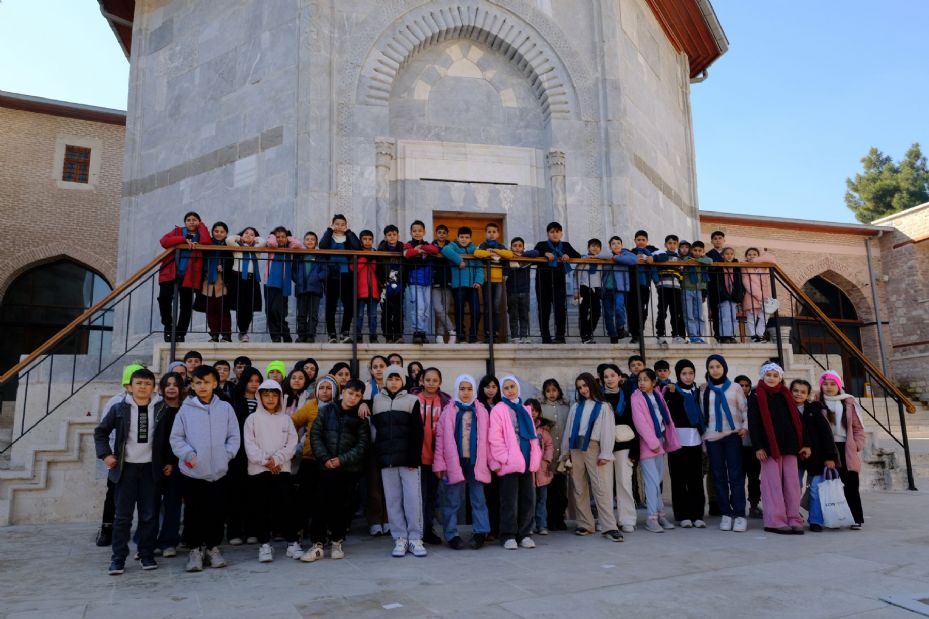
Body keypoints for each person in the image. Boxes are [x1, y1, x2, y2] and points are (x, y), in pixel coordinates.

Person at [94, 368, 173, 575]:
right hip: (125, 469)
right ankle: (118, 558)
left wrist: (169, 461)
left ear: (154, 387)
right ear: (129, 387)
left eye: (148, 384)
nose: (143, 387)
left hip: (151, 470)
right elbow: (100, 433)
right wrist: (106, 455)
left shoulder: (162, 408)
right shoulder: (119, 409)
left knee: (149, 515)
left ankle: (146, 554)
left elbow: (169, 439)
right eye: (139, 383)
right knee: (122, 517)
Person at [170, 365, 241, 571]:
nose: (202, 386)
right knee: (194, 512)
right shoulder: (185, 409)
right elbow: (176, 438)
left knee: (216, 512)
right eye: (198, 383)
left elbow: (234, 436)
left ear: (215, 384)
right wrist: (189, 456)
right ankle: (194, 550)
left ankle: (212, 548)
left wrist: (226, 455)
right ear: (192, 385)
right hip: (193, 472)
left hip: (218, 472)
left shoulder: (225, 408)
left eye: (206, 382)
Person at [302, 378, 370, 562]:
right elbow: (315, 435)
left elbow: (362, 445)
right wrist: (325, 458)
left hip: (348, 469)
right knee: (321, 504)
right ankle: (317, 544)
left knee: (343, 506)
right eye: (350, 393)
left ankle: (337, 542)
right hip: (325, 467)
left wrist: (341, 460)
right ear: (343, 392)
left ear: (361, 397)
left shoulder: (361, 418)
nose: (353, 397)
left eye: (357, 395)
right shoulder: (327, 411)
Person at [748, 362, 810, 535]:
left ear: (780, 378)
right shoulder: (756, 396)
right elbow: (754, 423)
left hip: (789, 446)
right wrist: (758, 446)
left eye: (776, 375)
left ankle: (793, 518)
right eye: (769, 375)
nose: (772, 378)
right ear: (762, 376)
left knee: (792, 484)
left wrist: (804, 442)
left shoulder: (786, 395)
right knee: (772, 485)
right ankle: (774, 521)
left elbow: (798, 421)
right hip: (768, 448)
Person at [372, 365, 426, 557]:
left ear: (403, 380)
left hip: (408, 459)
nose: (393, 382)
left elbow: (418, 432)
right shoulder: (376, 401)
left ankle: (415, 537)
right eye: (390, 379)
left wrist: (414, 457)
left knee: (412, 499)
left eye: (397, 379)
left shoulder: (412, 400)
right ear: (384, 381)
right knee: (393, 500)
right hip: (387, 459)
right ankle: (400, 538)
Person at [244, 379, 301, 562]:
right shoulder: (252, 419)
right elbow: (250, 445)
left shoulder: (286, 419)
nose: (270, 399)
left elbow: (292, 444)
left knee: (287, 507)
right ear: (260, 396)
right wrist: (265, 462)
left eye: (274, 395)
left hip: (281, 470)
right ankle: (265, 545)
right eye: (266, 395)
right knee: (261, 508)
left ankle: (292, 543)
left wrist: (276, 460)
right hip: (259, 471)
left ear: (279, 397)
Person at [433, 374, 491, 550]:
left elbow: (488, 438)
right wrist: (440, 464)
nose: (465, 393)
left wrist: (490, 461)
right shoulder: (449, 411)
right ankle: (451, 534)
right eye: (462, 389)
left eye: (469, 389)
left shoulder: (481, 410)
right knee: (452, 499)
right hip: (454, 462)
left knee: (478, 498)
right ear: (457, 390)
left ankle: (480, 532)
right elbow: (441, 439)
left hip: (476, 462)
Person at [561, 373, 622, 541]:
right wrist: (565, 452)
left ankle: (609, 526)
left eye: (585, 385)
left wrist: (605, 453)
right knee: (579, 488)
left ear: (592, 385)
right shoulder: (575, 407)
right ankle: (585, 524)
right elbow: (568, 430)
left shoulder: (604, 407)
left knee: (600, 488)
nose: (583, 390)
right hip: (575, 448)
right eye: (579, 387)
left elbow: (608, 432)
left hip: (594, 447)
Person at [95, 363, 145, 548]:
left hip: (142, 460)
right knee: (114, 495)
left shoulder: (153, 402)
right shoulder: (116, 402)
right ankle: (107, 529)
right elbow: (104, 430)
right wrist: (108, 455)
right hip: (118, 458)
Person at [489, 376, 542, 549]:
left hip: (526, 460)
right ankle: (508, 535)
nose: (510, 390)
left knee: (528, 499)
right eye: (506, 388)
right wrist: (504, 458)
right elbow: (495, 438)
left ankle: (525, 533)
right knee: (509, 500)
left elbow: (532, 435)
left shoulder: (525, 409)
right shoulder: (499, 409)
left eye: (512, 386)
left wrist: (535, 456)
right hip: (510, 462)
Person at [701, 354, 749, 532]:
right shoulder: (705, 390)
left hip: (732, 436)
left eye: (718, 366)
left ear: (724, 368)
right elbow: (702, 413)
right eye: (711, 367)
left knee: (735, 476)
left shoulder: (735, 388)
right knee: (718, 477)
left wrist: (745, 426)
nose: (715, 370)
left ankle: (739, 514)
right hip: (713, 438)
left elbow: (744, 409)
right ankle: (726, 514)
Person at [630, 368, 681, 533]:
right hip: (648, 444)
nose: (642, 383)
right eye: (639, 380)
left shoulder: (658, 396)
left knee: (657, 479)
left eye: (645, 380)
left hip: (659, 441)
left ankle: (660, 514)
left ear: (653, 382)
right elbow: (640, 423)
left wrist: (662, 440)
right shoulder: (636, 397)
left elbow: (665, 418)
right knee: (651, 481)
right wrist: (653, 443)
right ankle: (651, 517)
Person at [818, 370, 866, 529]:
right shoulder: (817, 403)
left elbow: (857, 427)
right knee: (831, 483)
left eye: (833, 384)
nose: (829, 387)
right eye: (825, 384)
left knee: (851, 483)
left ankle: (855, 518)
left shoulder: (848, 401)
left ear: (839, 385)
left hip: (846, 447)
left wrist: (857, 444)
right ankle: (834, 517)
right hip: (828, 448)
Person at [291, 374, 338, 540]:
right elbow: (293, 423)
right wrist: (293, 445)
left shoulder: (338, 407)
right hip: (310, 458)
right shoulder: (311, 406)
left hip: (330, 461)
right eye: (322, 388)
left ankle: (324, 531)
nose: (325, 392)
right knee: (304, 497)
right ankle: (299, 530)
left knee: (326, 498)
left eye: (328, 388)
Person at [791, 379, 838, 532]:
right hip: (795, 458)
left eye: (803, 392)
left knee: (814, 489)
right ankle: (793, 516)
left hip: (816, 458)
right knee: (794, 487)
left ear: (808, 395)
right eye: (796, 390)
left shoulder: (814, 411)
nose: (799, 394)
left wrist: (830, 457)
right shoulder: (786, 410)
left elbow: (826, 435)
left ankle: (816, 519)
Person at [665, 360, 707, 528]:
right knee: (679, 479)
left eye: (691, 373)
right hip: (677, 442)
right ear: (678, 375)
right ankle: (682, 515)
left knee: (695, 478)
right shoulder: (672, 391)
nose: (688, 377)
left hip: (695, 440)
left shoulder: (698, 392)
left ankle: (697, 514)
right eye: (684, 374)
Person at [158, 212, 210, 342]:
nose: (191, 222)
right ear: (185, 222)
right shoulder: (177, 231)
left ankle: (181, 332)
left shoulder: (201, 233)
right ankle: (168, 326)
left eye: (194, 220)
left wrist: (202, 226)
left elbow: (206, 242)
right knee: (164, 298)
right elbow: (164, 241)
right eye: (188, 220)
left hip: (189, 274)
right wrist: (183, 239)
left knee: (186, 304)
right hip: (170, 271)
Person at [598, 363, 637, 533]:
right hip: (604, 446)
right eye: (606, 376)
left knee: (624, 481)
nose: (609, 379)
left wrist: (636, 449)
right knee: (604, 485)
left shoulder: (629, 395)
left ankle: (627, 518)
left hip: (624, 444)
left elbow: (635, 422)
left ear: (620, 377)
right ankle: (607, 520)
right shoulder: (598, 398)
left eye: (613, 375)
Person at [227, 367, 262, 546]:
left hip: (258, 454)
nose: (254, 384)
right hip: (239, 455)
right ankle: (235, 531)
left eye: (257, 381)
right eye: (251, 381)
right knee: (236, 493)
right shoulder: (234, 402)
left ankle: (252, 531)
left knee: (254, 494)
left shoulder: (264, 401)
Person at [416, 367, 449, 545]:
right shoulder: (414, 400)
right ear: (421, 381)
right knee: (417, 496)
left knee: (431, 496)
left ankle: (428, 529)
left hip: (435, 457)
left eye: (434, 380)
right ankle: (416, 530)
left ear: (440, 383)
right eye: (427, 380)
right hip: (416, 457)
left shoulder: (444, 402)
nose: (431, 383)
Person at [533, 222, 581, 344]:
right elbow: (534, 254)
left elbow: (578, 255)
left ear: (561, 233)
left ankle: (560, 336)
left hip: (559, 282)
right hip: (542, 282)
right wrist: (544, 253)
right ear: (548, 234)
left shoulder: (565, 245)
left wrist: (567, 255)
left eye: (557, 232)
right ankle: (546, 337)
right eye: (552, 232)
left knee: (560, 308)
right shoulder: (542, 245)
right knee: (544, 309)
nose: (555, 234)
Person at [153, 372, 185, 556]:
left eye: (175, 384)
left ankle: (169, 542)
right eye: (168, 384)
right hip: (155, 464)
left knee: (173, 505)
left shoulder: (186, 410)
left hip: (178, 465)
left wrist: (172, 462)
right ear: (162, 388)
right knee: (151, 505)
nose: (171, 388)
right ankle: (148, 541)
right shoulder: (155, 409)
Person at [319, 214, 362, 343]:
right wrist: (329, 231)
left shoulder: (348, 237)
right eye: (337, 224)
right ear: (332, 224)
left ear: (346, 225)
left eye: (343, 224)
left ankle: (345, 332)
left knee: (348, 305)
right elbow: (322, 245)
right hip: (331, 275)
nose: (340, 226)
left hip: (346, 274)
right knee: (330, 306)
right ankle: (331, 334)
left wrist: (348, 232)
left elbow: (357, 246)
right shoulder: (329, 237)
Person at [441, 226, 484, 343]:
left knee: (476, 311)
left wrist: (479, 281)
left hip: (473, 286)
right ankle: (460, 337)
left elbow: (480, 266)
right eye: (461, 237)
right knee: (459, 311)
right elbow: (445, 250)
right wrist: (459, 261)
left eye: (466, 237)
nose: (464, 239)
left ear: (470, 238)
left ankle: (473, 336)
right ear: (457, 237)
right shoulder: (453, 246)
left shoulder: (474, 249)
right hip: (458, 285)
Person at [363, 356, 390, 537]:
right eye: (375, 367)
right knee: (373, 484)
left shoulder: (394, 385)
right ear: (371, 370)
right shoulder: (366, 388)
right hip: (372, 441)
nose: (379, 370)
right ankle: (375, 520)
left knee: (390, 484)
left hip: (390, 442)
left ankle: (389, 520)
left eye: (382, 366)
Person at [539, 378, 570, 531]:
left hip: (562, 456)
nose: (551, 394)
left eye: (554, 390)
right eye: (548, 391)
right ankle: (550, 519)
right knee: (548, 491)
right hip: (547, 457)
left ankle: (560, 518)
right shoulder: (542, 408)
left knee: (561, 490)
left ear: (559, 391)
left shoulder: (566, 407)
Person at [474, 222, 513, 343]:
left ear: (498, 234)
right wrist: (490, 253)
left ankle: (495, 333)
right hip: (486, 280)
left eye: (494, 232)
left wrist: (497, 251)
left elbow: (509, 254)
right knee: (487, 307)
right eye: (489, 232)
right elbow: (477, 253)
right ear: (485, 233)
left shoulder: (501, 246)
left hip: (498, 281)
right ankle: (487, 333)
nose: (491, 234)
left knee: (496, 307)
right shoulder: (483, 245)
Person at [225, 227, 265, 342]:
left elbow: (263, 241)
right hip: (238, 278)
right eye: (246, 233)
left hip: (252, 280)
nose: (248, 235)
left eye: (252, 234)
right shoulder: (237, 248)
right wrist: (240, 238)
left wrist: (254, 239)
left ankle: (245, 330)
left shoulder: (256, 249)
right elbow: (229, 240)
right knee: (240, 307)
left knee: (249, 307)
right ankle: (242, 331)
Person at [403, 220, 440, 344]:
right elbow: (407, 253)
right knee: (418, 307)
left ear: (424, 232)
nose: (417, 233)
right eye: (414, 231)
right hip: (415, 280)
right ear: (410, 232)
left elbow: (435, 250)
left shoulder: (427, 244)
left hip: (427, 281)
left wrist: (422, 247)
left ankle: (423, 332)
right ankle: (417, 332)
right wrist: (418, 251)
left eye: (419, 231)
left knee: (426, 309)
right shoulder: (408, 244)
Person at [263, 226, 301, 342]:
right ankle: (275, 337)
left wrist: (288, 238)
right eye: (278, 237)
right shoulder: (272, 246)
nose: (280, 239)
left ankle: (285, 334)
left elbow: (298, 244)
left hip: (283, 284)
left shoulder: (289, 248)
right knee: (269, 311)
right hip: (269, 283)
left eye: (283, 237)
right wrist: (274, 236)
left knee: (278, 311)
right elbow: (271, 243)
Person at [599, 236, 638, 343]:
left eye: (618, 243)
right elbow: (599, 255)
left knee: (619, 308)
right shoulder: (607, 254)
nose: (616, 245)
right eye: (613, 244)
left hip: (620, 289)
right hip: (606, 289)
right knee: (608, 313)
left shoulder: (625, 254)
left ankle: (620, 328)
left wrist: (616, 258)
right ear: (610, 246)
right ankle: (613, 335)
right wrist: (611, 255)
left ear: (622, 245)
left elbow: (633, 259)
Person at [478, 375, 502, 539]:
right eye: (488, 386)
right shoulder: (478, 406)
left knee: (498, 494)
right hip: (482, 454)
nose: (491, 390)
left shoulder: (502, 405)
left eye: (494, 386)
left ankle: (496, 529)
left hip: (499, 454)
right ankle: (483, 529)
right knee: (483, 495)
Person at [734, 373, 761, 518]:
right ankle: (737, 506)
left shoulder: (754, 400)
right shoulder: (731, 400)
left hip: (752, 446)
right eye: (741, 385)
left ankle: (754, 505)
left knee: (754, 478)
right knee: (737, 477)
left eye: (746, 385)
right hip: (736, 446)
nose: (744, 388)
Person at [201, 222, 233, 342]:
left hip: (222, 280)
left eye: (222, 231)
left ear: (226, 234)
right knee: (211, 309)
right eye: (216, 231)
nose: (219, 234)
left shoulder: (228, 245)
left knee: (223, 308)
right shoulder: (207, 244)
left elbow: (231, 262)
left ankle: (226, 334)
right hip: (208, 280)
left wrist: (223, 266)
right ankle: (214, 334)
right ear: (212, 232)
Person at [293, 230, 327, 343]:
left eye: (312, 239)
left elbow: (326, 271)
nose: (310, 241)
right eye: (307, 239)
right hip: (301, 288)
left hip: (315, 288)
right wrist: (298, 279)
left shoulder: (320, 256)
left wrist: (317, 277)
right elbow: (293, 271)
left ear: (316, 242)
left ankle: (310, 335)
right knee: (301, 314)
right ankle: (301, 335)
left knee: (313, 314)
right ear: (304, 242)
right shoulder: (299, 256)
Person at [652, 234, 686, 345]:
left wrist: (680, 285)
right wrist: (657, 283)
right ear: (665, 244)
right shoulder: (662, 255)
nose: (672, 245)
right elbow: (655, 268)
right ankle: (660, 335)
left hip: (676, 288)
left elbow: (681, 274)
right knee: (662, 311)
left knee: (675, 312)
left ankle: (676, 335)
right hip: (663, 287)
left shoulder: (680, 258)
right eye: (669, 243)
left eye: (674, 243)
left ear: (677, 245)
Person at [503, 237, 539, 343]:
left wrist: (522, 255)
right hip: (511, 291)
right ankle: (515, 337)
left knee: (524, 314)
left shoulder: (526, 259)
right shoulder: (507, 259)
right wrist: (511, 256)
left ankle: (524, 336)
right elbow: (505, 272)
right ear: (511, 247)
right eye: (515, 246)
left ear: (523, 248)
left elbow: (536, 252)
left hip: (525, 291)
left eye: (520, 246)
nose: (517, 248)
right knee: (513, 314)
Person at [527, 398, 554, 536]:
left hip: (542, 472)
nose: (532, 413)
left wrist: (547, 459)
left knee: (542, 501)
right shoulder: (523, 426)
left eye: (535, 410)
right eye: (530, 410)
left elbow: (549, 445)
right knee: (530, 501)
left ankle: (542, 525)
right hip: (529, 472)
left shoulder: (543, 430)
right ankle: (529, 526)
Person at [627, 230, 657, 345]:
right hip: (632, 285)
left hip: (644, 285)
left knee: (643, 310)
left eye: (643, 240)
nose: (641, 242)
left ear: (647, 241)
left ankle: (640, 331)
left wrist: (652, 258)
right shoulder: (631, 252)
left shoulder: (652, 250)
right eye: (638, 240)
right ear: (634, 241)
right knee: (632, 310)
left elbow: (663, 256)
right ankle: (634, 334)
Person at [741, 247, 777, 342]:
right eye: (749, 255)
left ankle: (760, 335)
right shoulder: (744, 266)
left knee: (765, 317)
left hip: (765, 296)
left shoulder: (763, 265)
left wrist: (756, 260)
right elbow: (747, 283)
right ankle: (753, 336)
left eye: (754, 254)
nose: (751, 256)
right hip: (751, 296)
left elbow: (773, 259)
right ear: (746, 256)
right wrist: (760, 297)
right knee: (751, 318)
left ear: (758, 256)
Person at [573, 238, 605, 344]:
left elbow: (610, 255)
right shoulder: (583, 259)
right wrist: (576, 290)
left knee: (596, 312)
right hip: (584, 288)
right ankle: (584, 336)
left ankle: (589, 332)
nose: (595, 248)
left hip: (597, 289)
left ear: (600, 249)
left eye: (597, 246)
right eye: (592, 246)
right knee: (583, 312)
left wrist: (596, 256)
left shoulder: (601, 260)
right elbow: (576, 275)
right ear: (588, 248)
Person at [379, 225, 406, 343]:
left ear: (398, 235)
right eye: (389, 235)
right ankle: (388, 336)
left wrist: (404, 281)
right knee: (386, 311)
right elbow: (377, 268)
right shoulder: (381, 249)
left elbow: (407, 266)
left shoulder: (403, 248)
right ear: (385, 237)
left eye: (394, 234)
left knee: (398, 311)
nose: (392, 237)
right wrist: (381, 281)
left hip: (399, 284)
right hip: (385, 285)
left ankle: (398, 335)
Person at [682, 241, 712, 343]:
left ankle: (699, 336)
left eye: (700, 251)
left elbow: (710, 261)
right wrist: (697, 261)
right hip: (687, 289)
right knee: (689, 314)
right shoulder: (686, 258)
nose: (697, 252)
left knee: (698, 314)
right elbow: (687, 261)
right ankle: (693, 336)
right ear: (691, 250)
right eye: (695, 250)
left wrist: (698, 260)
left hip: (698, 290)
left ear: (703, 251)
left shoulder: (704, 259)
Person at [431, 224, 456, 344]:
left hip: (448, 280)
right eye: (439, 232)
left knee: (445, 310)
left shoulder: (451, 246)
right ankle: (452, 330)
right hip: (434, 280)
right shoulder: (431, 245)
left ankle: (440, 335)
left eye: (444, 232)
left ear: (447, 234)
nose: (442, 234)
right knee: (438, 308)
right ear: (436, 233)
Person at [355, 230, 381, 343]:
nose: (367, 241)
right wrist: (365, 258)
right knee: (359, 315)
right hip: (361, 290)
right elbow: (353, 268)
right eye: (365, 239)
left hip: (374, 289)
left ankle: (373, 336)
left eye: (369, 239)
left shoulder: (377, 254)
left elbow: (379, 271)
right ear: (361, 241)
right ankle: (358, 336)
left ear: (373, 240)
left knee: (373, 315)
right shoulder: (357, 254)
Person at [716, 247, 743, 344]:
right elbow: (718, 283)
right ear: (722, 255)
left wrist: (738, 296)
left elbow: (739, 282)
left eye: (731, 253)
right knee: (725, 316)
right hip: (723, 296)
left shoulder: (736, 266)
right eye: (727, 253)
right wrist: (723, 293)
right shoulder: (718, 265)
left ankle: (731, 335)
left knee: (733, 317)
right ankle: (724, 336)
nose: (729, 255)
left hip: (733, 296)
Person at [705, 230, 727, 341]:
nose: (718, 240)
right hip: (713, 286)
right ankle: (718, 335)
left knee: (727, 312)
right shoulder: (708, 255)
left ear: (724, 240)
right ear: (712, 241)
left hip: (727, 286)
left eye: (720, 238)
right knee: (715, 312)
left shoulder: (729, 253)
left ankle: (728, 334)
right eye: (715, 238)